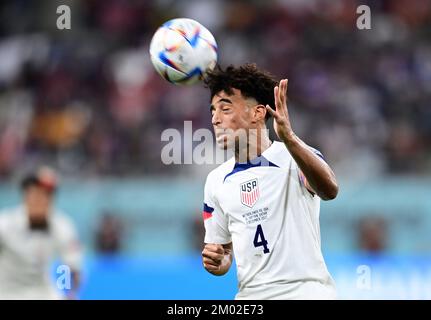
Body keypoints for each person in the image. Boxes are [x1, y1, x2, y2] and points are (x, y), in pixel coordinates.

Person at [201, 64, 339, 300]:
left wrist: (290, 139)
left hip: (305, 292)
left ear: (257, 113)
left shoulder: (294, 157)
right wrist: (218, 261)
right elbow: (223, 252)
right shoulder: (216, 181)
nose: (215, 119)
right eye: (212, 111)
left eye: (225, 109)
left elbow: (329, 190)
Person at [0, 167, 82, 299]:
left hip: (42, 292)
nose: (39, 201)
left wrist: (69, 293)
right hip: (6, 292)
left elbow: (69, 267)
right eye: (34, 195)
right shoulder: (5, 224)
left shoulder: (61, 226)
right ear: (25, 197)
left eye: (45, 195)